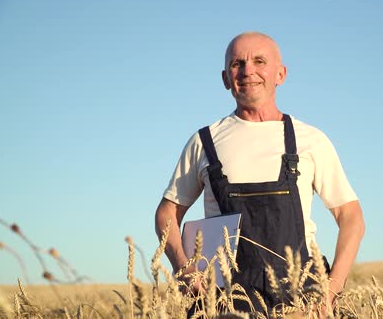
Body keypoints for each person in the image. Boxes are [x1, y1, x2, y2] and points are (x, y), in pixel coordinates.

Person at [154, 31, 365, 315]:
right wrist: (183, 266)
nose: (247, 71)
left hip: (300, 298)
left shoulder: (310, 140)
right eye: (237, 63)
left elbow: (351, 217)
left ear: (281, 74)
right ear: (225, 78)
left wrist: (330, 290)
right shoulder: (204, 142)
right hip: (226, 300)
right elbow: (167, 213)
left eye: (259, 61)